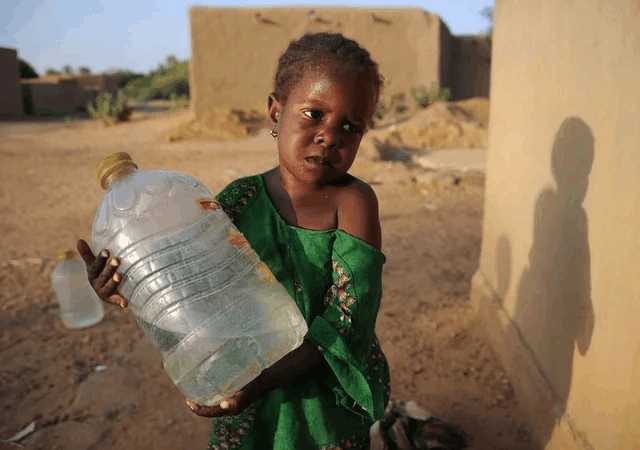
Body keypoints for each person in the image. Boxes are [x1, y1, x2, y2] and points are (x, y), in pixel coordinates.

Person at [77, 32, 390, 450]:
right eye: (313, 114)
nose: (329, 136)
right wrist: (126, 286)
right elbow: (188, 290)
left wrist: (263, 381)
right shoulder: (236, 201)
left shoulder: (354, 202)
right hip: (249, 384)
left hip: (325, 393)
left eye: (349, 128)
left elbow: (348, 322)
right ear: (275, 113)